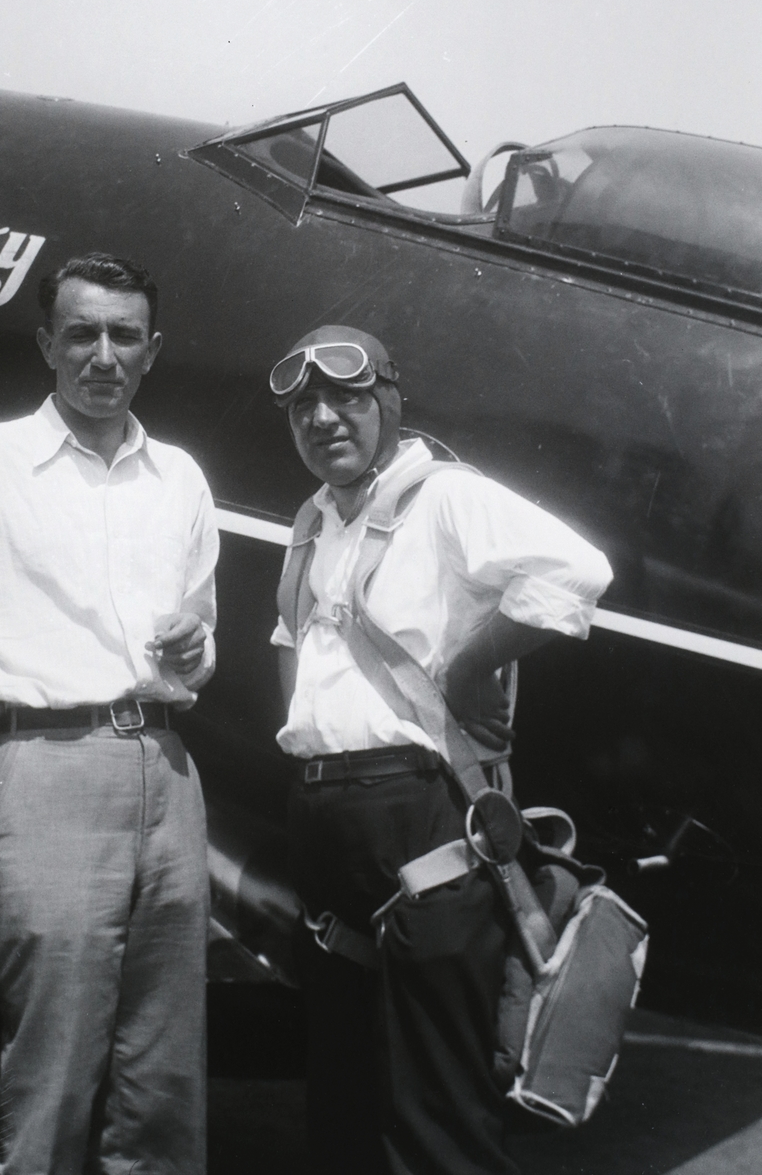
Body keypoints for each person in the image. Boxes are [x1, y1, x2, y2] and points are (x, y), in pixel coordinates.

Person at [0, 251, 219, 1175]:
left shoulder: (178, 477)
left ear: (154, 350)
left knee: (163, 1067)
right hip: (43, 769)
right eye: (82, 333)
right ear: (45, 343)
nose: (103, 355)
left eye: (124, 336)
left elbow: (204, 626)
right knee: (55, 1057)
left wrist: (197, 647)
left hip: (168, 769)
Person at [268, 324, 613, 1175]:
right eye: (305, 406)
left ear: (389, 401)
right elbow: (292, 639)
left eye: (346, 400)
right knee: (343, 1089)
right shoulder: (313, 522)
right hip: (327, 817)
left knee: (434, 1104)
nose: (323, 419)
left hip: (420, 816)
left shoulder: (444, 497)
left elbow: (578, 569)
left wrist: (470, 664)